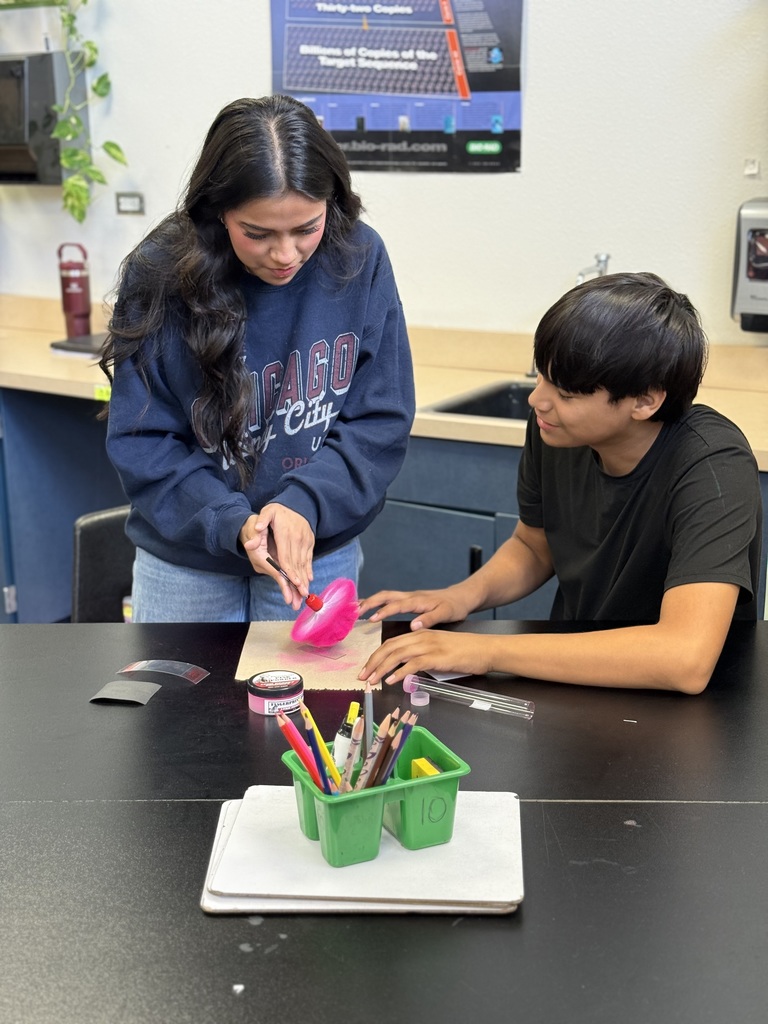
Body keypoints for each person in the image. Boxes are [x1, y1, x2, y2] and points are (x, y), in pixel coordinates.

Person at [359, 272, 762, 694]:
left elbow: (684, 659)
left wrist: (486, 650)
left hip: (690, 713)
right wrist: (462, 596)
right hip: (574, 678)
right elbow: (535, 545)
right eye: (541, 376)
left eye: (566, 393)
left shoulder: (713, 465)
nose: (538, 400)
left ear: (644, 401)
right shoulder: (557, 429)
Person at [100, 95, 414, 622]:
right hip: (187, 562)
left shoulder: (359, 258)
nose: (285, 254)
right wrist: (229, 520)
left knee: (309, 705)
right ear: (218, 211)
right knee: (183, 706)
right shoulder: (161, 272)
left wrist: (304, 503)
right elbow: (142, 438)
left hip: (314, 551)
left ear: (331, 202)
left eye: (306, 228)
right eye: (258, 233)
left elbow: (379, 419)